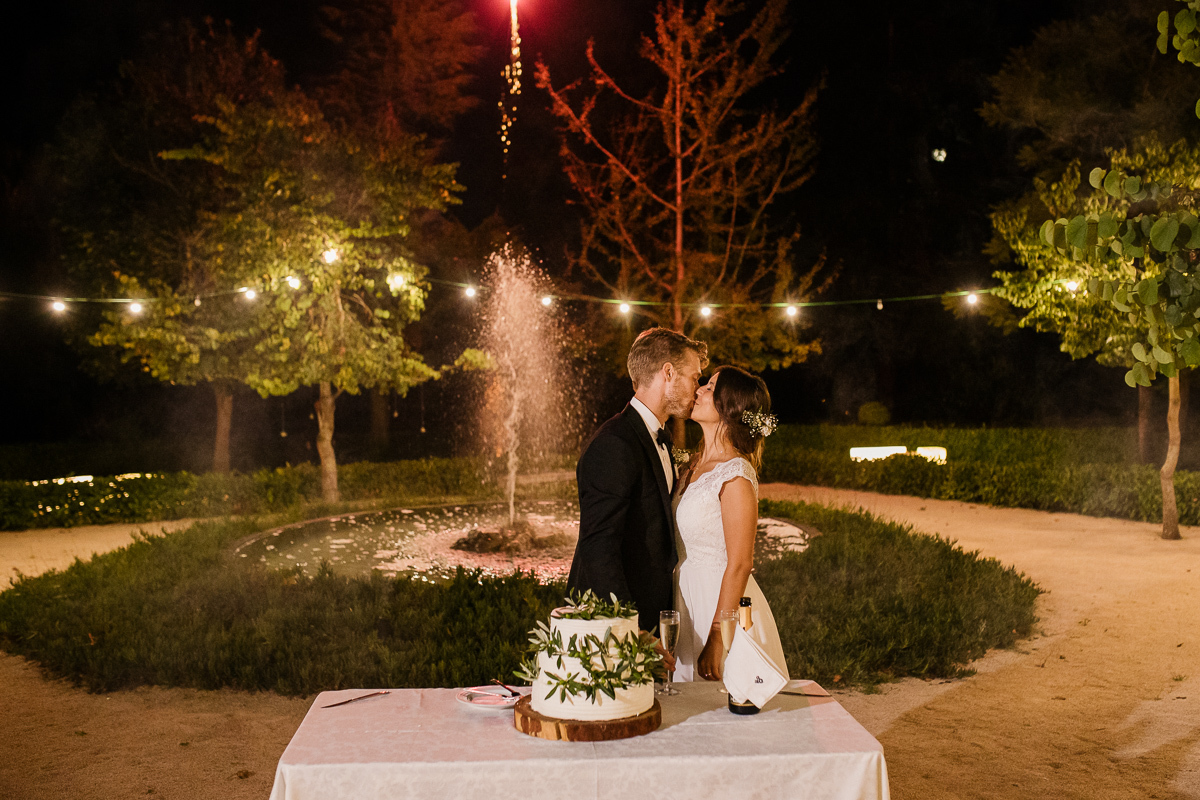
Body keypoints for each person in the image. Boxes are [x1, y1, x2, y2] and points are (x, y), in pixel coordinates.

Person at [567, 327, 707, 634]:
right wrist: (632, 630)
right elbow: (598, 546)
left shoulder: (658, 437)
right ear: (668, 373)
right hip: (613, 624)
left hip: (649, 609)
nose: (697, 388)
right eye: (694, 377)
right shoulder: (614, 444)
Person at [672, 366, 789, 682]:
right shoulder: (691, 465)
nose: (698, 390)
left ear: (730, 407)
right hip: (683, 597)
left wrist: (719, 634)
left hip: (717, 602)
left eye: (709, 388)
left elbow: (740, 563)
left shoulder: (734, 475)